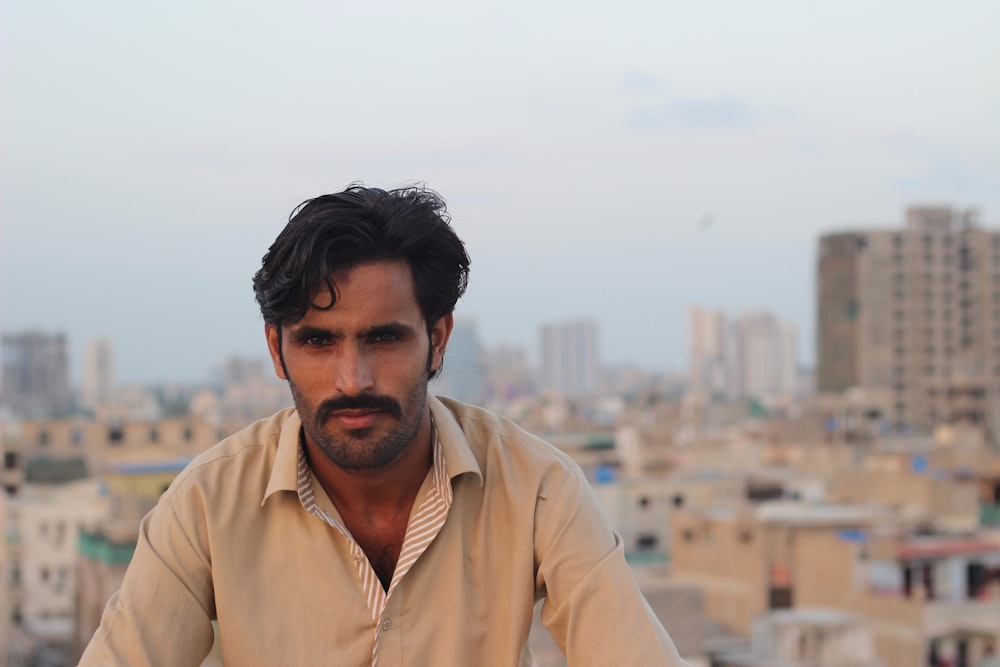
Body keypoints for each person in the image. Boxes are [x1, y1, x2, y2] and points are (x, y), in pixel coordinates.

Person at [79, 185, 688, 666]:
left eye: (383, 338)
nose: (353, 379)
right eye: (318, 342)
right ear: (276, 349)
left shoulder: (537, 487)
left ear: (437, 340)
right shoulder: (208, 503)